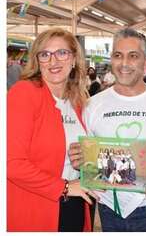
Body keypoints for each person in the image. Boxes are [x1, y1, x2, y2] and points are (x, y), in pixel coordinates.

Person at [67, 29, 146, 231]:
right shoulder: (91, 105)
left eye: (133, 56)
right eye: (118, 55)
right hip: (108, 206)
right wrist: (79, 160)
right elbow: (87, 159)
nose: (124, 63)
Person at [8, 29, 93, 231]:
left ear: (74, 59)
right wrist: (63, 187)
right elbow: (10, 162)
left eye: (62, 53)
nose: (53, 61)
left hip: (76, 201)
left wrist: (85, 160)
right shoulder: (24, 93)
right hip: (36, 206)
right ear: (38, 61)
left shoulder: (79, 101)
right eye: (45, 54)